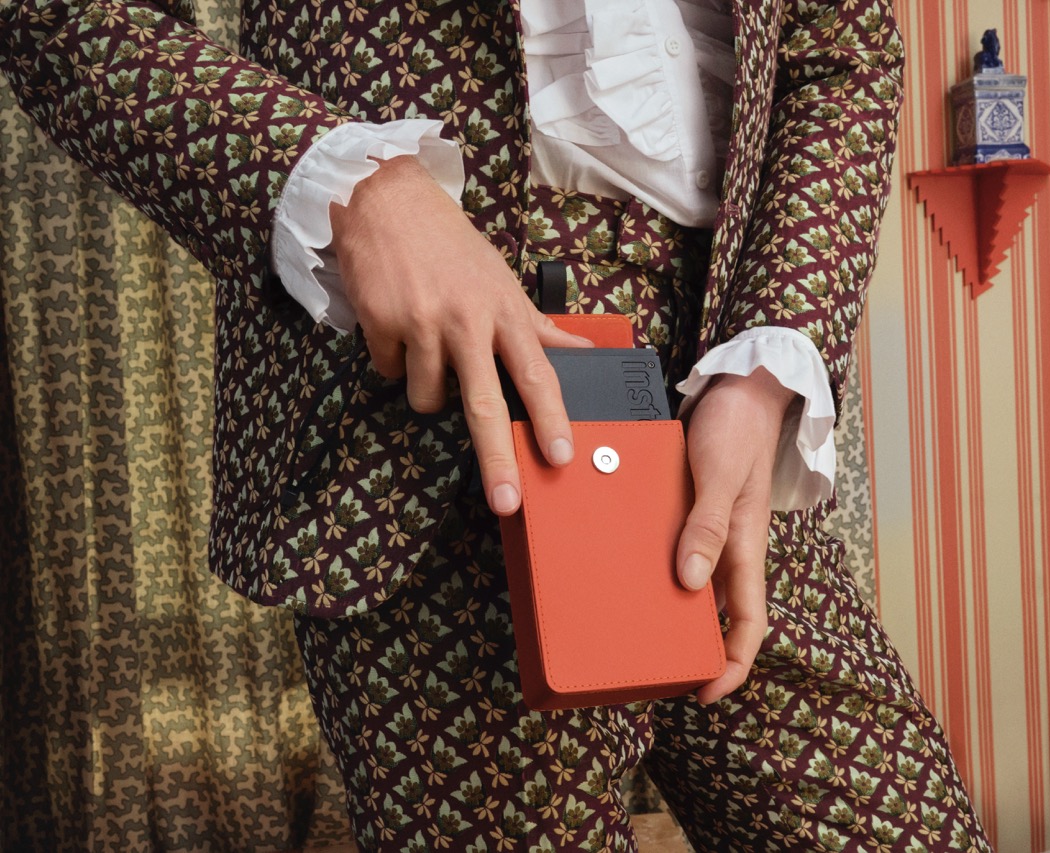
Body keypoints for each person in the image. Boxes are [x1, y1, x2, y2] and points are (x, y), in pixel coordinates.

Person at [1, 0, 992, 849]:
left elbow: (839, 56)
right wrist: (343, 182)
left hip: (717, 392)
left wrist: (771, 353)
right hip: (421, 418)